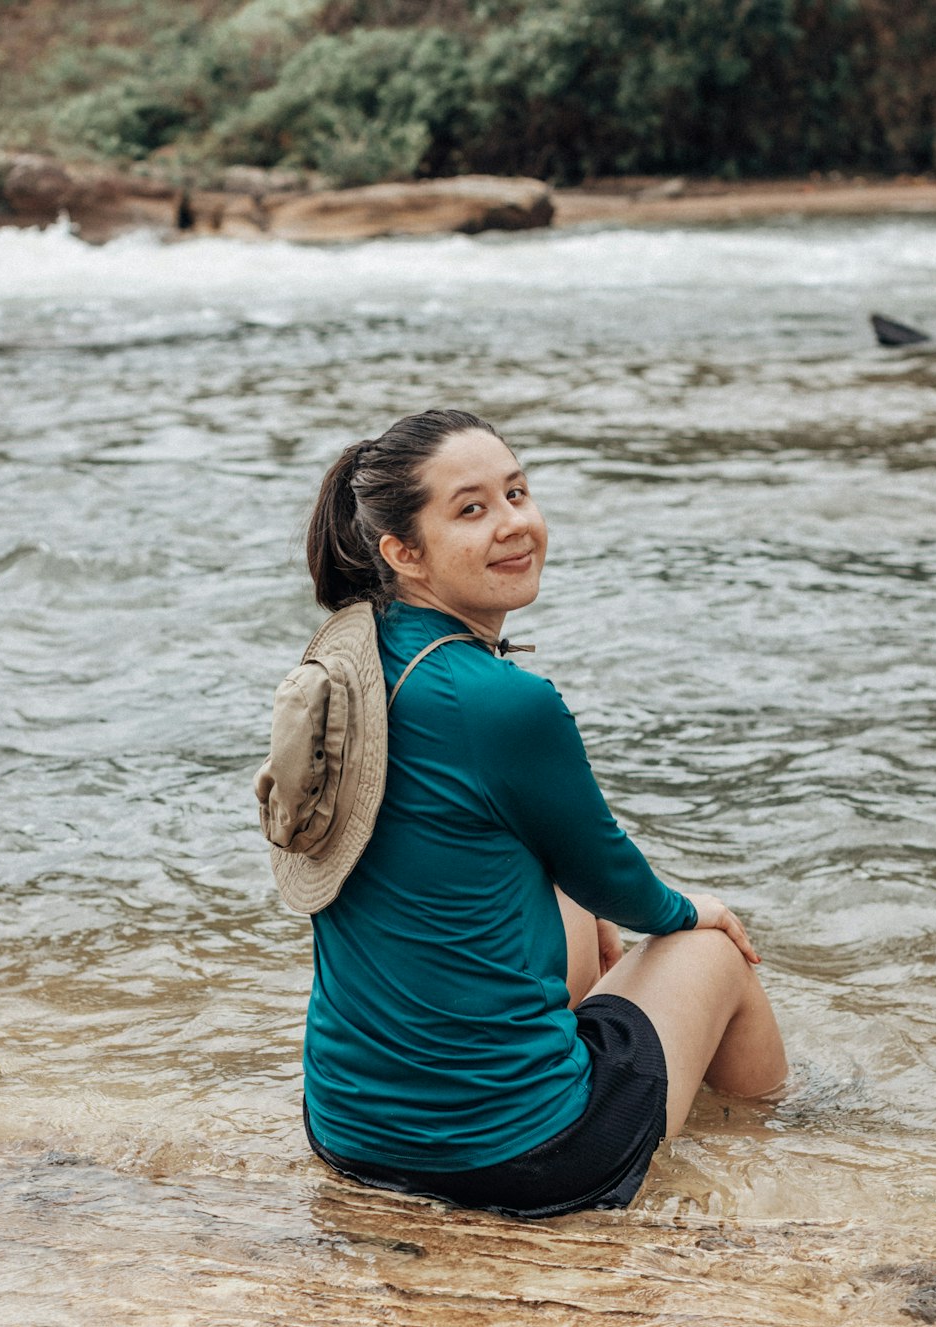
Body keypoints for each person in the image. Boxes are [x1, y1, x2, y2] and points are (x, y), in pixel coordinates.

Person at [256, 408, 787, 1218]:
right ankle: (782, 1154)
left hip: (350, 1133)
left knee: (555, 888)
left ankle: (585, 1059)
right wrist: (692, 911)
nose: (515, 525)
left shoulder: (346, 658)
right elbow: (624, 884)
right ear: (403, 553)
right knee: (713, 950)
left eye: (517, 492)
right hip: (522, 1154)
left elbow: (573, 872)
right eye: (471, 510)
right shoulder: (504, 701)